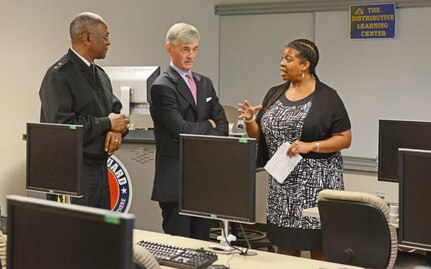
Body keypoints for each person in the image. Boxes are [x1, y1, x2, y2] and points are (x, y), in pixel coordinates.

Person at [238, 39, 352, 260]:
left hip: (316, 186)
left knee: (319, 246)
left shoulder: (327, 97)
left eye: (288, 59)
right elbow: (259, 137)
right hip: (282, 188)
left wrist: (311, 146)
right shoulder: (274, 94)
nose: (281, 63)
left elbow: (344, 138)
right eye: (282, 58)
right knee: (286, 246)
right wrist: (251, 120)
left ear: (305, 65)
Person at [39, 12, 129, 209]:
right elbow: (63, 128)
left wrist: (116, 129)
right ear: (87, 38)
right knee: (73, 236)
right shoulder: (58, 76)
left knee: (98, 234)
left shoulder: (100, 75)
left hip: (99, 168)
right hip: (71, 173)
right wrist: (107, 123)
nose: (109, 42)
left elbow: (116, 112)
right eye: (105, 36)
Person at [150, 23, 228, 240]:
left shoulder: (205, 83)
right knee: (180, 250)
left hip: (201, 180)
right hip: (176, 182)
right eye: (185, 49)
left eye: (195, 49)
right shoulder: (162, 86)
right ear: (169, 49)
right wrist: (208, 125)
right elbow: (182, 131)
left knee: (202, 245)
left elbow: (223, 127)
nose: (191, 55)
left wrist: (209, 127)